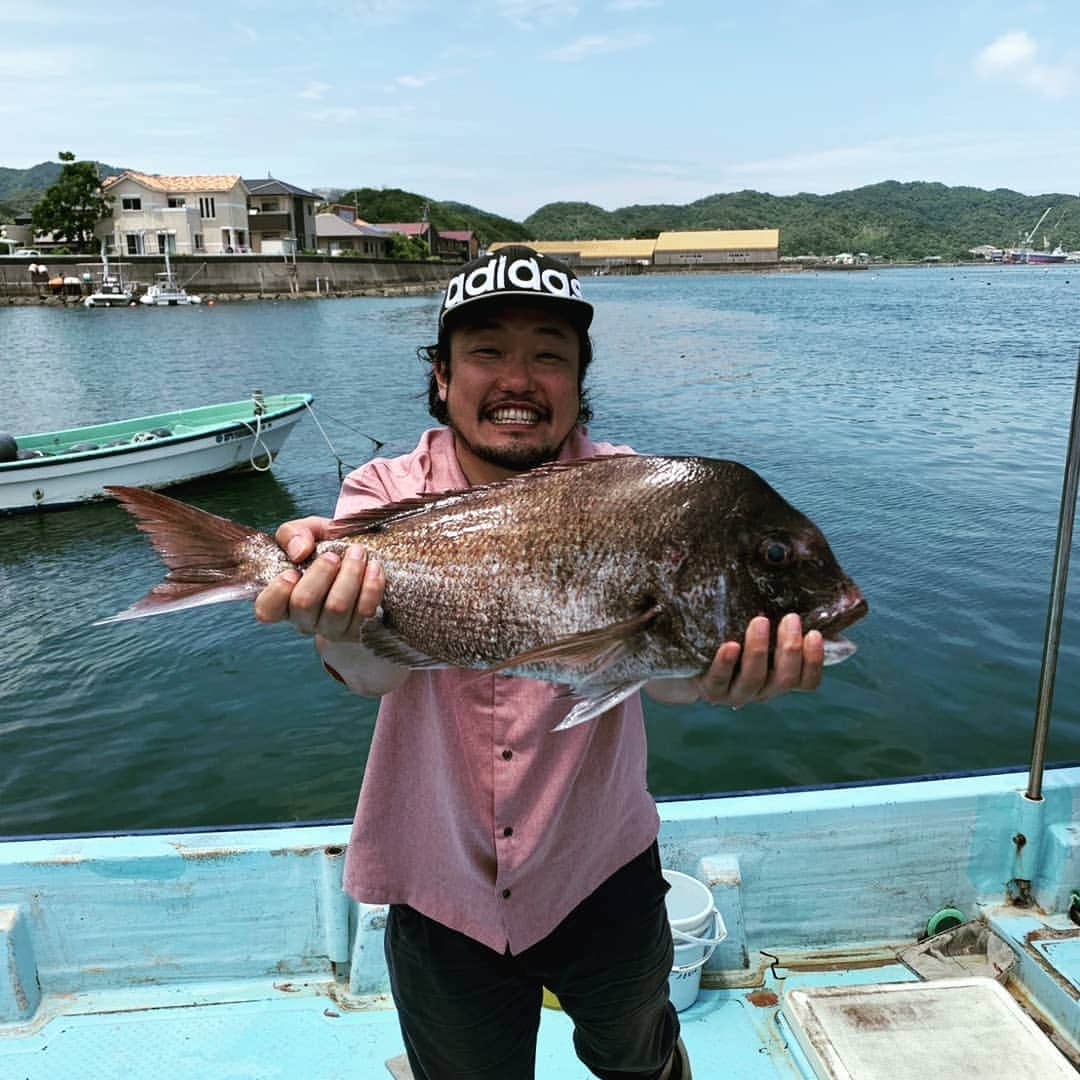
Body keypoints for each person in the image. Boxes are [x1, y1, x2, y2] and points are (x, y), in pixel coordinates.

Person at [254, 246, 824, 1080]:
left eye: (549, 355)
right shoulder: (382, 493)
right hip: (436, 874)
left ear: (578, 380)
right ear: (443, 376)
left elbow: (662, 677)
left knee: (639, 1056)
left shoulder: (639, 491)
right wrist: (331, 617)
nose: (518, 378)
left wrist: (721, 673)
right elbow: (374, 674)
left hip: (600, 869)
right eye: (487, 351)